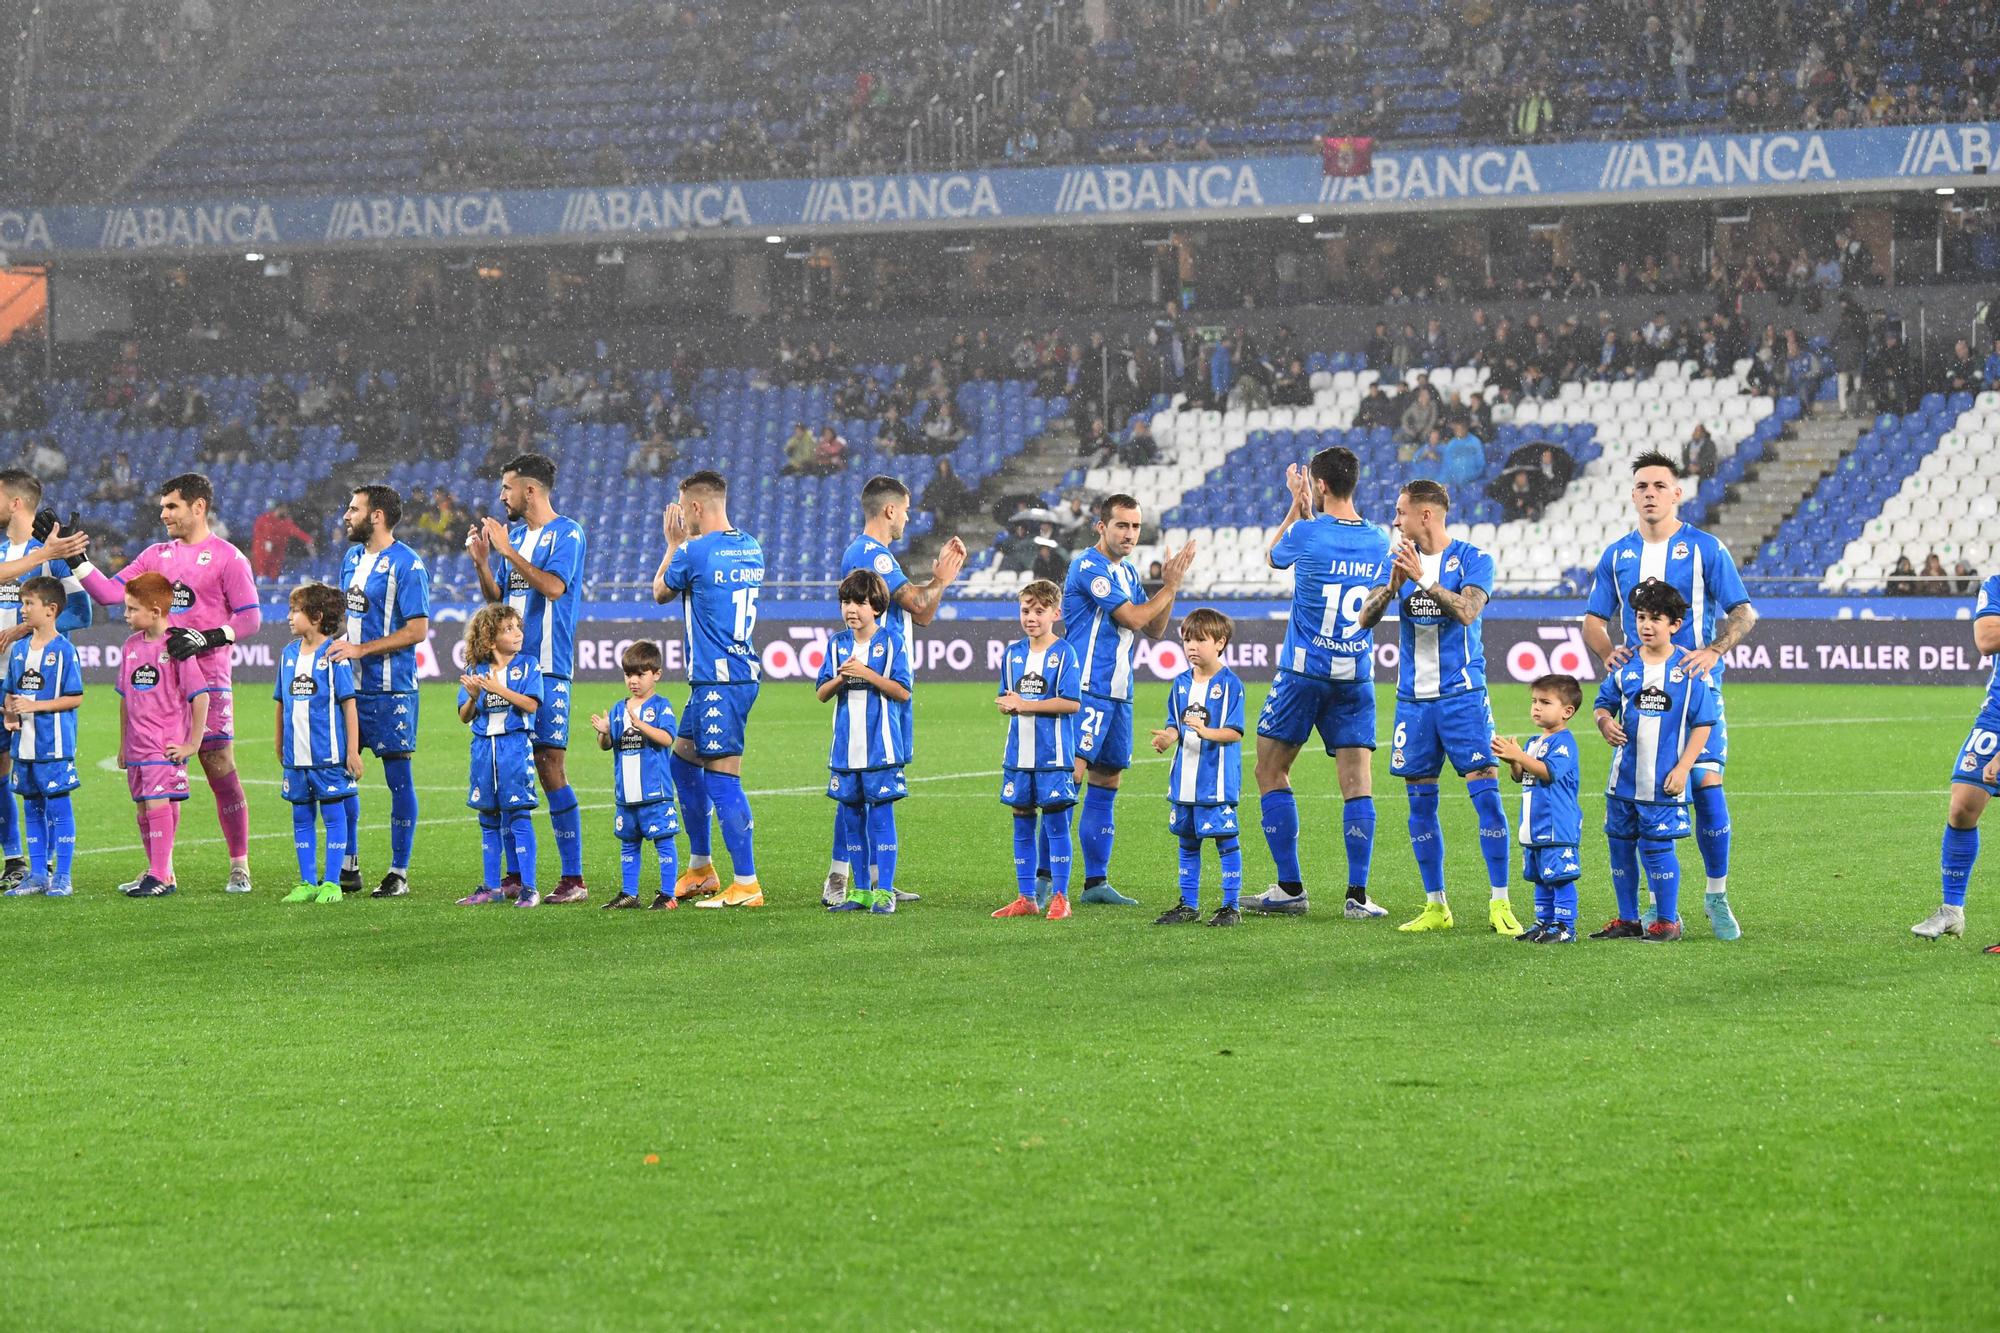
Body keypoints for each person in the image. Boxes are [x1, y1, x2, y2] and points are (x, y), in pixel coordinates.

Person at [1583, 451, 1755, 940]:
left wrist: (1715, 651)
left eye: (1660, 485)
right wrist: (1608, 655)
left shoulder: (1704, 548)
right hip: (1640, 695)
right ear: (1633, 494)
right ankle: (1658, 911)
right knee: (1640, 793)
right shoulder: (1617, 554)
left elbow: (1743, 612)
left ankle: (1716, 894)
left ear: (1677, 493)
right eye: (1642, 486)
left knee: (1704, 783)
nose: (1650, 493)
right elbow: (1594, 618)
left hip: (1694, 691)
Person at [74, 472, 261, 894]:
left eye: (171, 506)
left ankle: (239, 864)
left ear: (199, 507)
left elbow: (249, 618)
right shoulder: (155, 555)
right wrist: (75, 558)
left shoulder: (229, 558)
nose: (163, 514)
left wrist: (208, 637)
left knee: (219, 768)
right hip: (158, 687)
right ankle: (162, 870)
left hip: (207, 678)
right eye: (162, 506)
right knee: (159, 774)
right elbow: (107, 593)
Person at [1356, 480, 1522, 935]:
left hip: (1463, 697)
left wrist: (1423, 580)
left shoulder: (1473, 559)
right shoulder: (1395, 561)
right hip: (1414, 702)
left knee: (1486, 798)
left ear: (1426, 515)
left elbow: (1468, 612)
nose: (1394, 521)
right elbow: (1364, 620)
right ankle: (1436, 905)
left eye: (1400, 512)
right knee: (1419, 804)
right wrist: (1391, 589)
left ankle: (1500, 902)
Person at [1245, 448, 1391, 919]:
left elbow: (1274, 556)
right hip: (1355, 674)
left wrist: (1295, 504)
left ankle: (1290, 888)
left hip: (1303, 674)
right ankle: (1357, 896)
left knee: (1270, 771)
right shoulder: (1377, 540)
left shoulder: (1306, 532)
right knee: (1357, 783)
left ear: (1320, 485)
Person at [824, 475, 967, 904]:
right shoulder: (871, 554)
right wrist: (941, 579)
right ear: (889, 510)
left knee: (862, 787)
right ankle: (839, 879)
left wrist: (935, 582)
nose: (907, 517)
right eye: (904, 509)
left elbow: (916, 613)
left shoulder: (874, 554)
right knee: (858, 786)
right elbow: (921, 609)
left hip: (882, 684)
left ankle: (872, 880)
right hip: (874, 690)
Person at [1052, 495, 1197, 907]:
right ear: (1101, 526)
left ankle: (1095, 882)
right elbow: (1132, 619)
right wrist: (1167, 587)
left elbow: (1153, 629)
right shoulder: (1089, 566)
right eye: (1121, 525)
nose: (1130, 534)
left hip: (1118, 692)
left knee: (1107, 779)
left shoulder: (1128, 572)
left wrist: (1172, 588)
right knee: (1070, 777)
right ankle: (1046, 878)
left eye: (1135, 527)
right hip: (1086, 687)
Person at [468, 453, 588, 903]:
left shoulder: (567, 533)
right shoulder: (514, 536)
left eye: (507, 488)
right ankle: (514, 877)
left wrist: (507, 551)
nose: (503, 496)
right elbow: (498, 600)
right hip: (506, 669)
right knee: (511, 768)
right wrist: (484, 562)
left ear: (530, 490)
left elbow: (554, 587)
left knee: (550, 765)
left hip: (548, 666)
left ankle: (573, 878)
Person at [652, 470, 766, 909]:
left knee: (722, 779)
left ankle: (747, 883)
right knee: (683, 762)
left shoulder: (694, 551)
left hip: (720, 680)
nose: (681, 516)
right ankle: (701, 868)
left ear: (695, 507)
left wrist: (672, 544)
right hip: (724, 678)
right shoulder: (750, 545)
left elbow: (660, 591)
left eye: (683, 508)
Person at [1588, 579, 1719, 943]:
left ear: (1674, 624)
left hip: (1662, 780)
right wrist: (1604, 722)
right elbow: (1603, 703)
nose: (1646, 625)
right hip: (1623, 779)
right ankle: (1628, 919)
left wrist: (1683, 768)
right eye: (1640, 617)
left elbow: (1704, 724)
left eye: (1655, 618)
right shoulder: (1625, 665)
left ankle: (1666, 921)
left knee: (1657, 849)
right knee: (1620, 846)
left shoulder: (1689, 670)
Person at [331, 486, 431, 898]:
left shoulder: (408, 565)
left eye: (353, 509)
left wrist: (360, 649)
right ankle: (349, 862)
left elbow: (418, 630)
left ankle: (398, 872)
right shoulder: (351, 559)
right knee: (342, 776)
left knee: (398, 780)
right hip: (348, 688)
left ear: (376, 516)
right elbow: (341, 620)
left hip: (391, 691)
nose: (345, 515)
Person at [0, 469, 93, 889]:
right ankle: (16, 859)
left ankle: (52, 867)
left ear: (15, 501)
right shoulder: (4, 552)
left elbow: (80, 613)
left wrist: (25, 630)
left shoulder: (51, 552)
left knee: (44, 781)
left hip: (36, 686)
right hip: (4, 686)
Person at [815, 569, 914, 915]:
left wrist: (867, 674)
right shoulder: (837, 643)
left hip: (880, 747)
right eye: (845, 601)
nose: (850, 609)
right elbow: (822, 692)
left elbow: (902, 691)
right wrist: (842, 678)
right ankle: (860, 891)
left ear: (876, 606)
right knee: (852, 818)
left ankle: (884, 891)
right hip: (845, 749)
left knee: (881, 818)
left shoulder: (892, 642)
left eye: (858, 601)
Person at [1147, 608, 1247, 927]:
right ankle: (1188, 905)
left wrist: (1205, 732)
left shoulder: (1230, 685)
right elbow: (1174, 723)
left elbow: (1234, 731)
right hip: (1184, 780)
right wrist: (1168, 737)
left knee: (1225, 841)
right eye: (1187, 639)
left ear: (1220, 642)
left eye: (1200, 640)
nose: (1191, 646)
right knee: (1187, 841)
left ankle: (1231, 906)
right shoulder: (1179, 683)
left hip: (1215, 781)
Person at [1916, 573, 2000, 943]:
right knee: (1963, 805)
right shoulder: (1996, 583)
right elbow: (1986, 639)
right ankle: (1952, 911)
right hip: (1996, 713)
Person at [114, 572, 209, 897]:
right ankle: (160, 872)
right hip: (137, 746)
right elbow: (125, 699)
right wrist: (123, 744)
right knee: (144, 808)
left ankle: (158, 875)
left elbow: (201, 695)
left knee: (156, 804)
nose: (125, 615)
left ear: (155, 611)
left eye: (131, 609)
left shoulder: (177, 646)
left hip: (163, 744)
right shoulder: (129, 647)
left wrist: (192, 743)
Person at [991, 578, 1081, 920]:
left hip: (1053, 756)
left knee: (1056, 825)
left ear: (1055, 613)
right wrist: (1006, 704)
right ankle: (1026, 896)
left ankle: (1060, 896)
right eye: (1026, 610)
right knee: (1022, 823)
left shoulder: (1064, 653)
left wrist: (1025, 704)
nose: (1031, 617)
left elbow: (1071, 703)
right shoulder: (1013, 654)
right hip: (1018, 756)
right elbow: (1005, 696)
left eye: (1039, 611)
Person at [273, 583, 361, 907]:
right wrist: (279, 741)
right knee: (301, 817)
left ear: (316, 616)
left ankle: (332, 882)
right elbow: (281, 702)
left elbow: (349, 705)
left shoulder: (335, 656)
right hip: (297, 757)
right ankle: (307, 881)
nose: (290, 616)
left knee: (334, 817)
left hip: (330, 755)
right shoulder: (288, 655)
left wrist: (352, 751)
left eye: (295, 611)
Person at [454, 604, 545, 907]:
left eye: (518, 626)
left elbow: (531, 705)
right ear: (490, 640)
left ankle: (529, 887)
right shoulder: (475, 672)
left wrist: (496, 689)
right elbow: (465, 716)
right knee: (488, 818)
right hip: (483, 749)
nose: (518, 632)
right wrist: (473, 697)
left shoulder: (528, 665)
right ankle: (491, 887)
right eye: (509, 628)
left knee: (519, 815)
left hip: (514, 748)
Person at [0, 576, 82, 898]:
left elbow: (74, 697)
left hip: (54, 745)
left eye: (29, 603)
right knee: (32, 807)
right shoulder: (19, 650)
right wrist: (9, 712)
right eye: (21, 603)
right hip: (25, 745)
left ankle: (62, 876)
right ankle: (37, 874)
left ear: (50, 610)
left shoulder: (64, 650)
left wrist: (35, 705)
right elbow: (10, 693)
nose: (22, 609)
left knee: (59, 807)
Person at [1491, 674, 1584, 943]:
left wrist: (1520, 756)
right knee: (1540, 877)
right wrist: (1512, 760)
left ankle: (1565, 926)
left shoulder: (1564, 743)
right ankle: (1543, 923)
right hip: (1533, 825)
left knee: (1560, 876)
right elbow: (1521, 777)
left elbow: (1548, 772)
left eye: (1545, 702)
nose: (1536, 707)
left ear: (1567, 711)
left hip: (1557, 824)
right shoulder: (1534, 742)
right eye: (1534, 701)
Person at [590, 640, 682, 912]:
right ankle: (629, 894)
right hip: (626, 794)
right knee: (628, 843)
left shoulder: (661, 706)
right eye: (629, 674)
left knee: (664, 841)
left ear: (656, 674)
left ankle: (668, 895)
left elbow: (666, 738)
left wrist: (641, 725)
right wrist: (605, 731)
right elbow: (608, 746)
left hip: (655, 792)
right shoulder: (619, 708)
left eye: (640, 674)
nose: (633, 681)